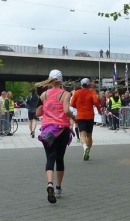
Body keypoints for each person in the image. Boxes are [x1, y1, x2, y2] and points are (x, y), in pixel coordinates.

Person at [36, 69, 75, 203]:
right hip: (62, 129)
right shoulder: (66, 94)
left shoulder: (43, 95)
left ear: (50, 80)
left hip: (47, 129)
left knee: (50, 158)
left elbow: (37, 113)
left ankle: (50, 184)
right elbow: (66, 110)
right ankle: (58, 188)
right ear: (61, 80)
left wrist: (47, 109)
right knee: (60, 158)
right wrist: (74, 117)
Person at [70, 78, 102, 161]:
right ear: (89, 85)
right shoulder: (92, 92)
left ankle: (84, 147)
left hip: (81, 116)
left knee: (82, 134)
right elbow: (96, 102)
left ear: (81, 84)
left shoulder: (77, 93)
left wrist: (78, 106)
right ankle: (88, 151)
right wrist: (99, 111)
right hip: (90, 116)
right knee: (89, 135)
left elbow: (72, 104)